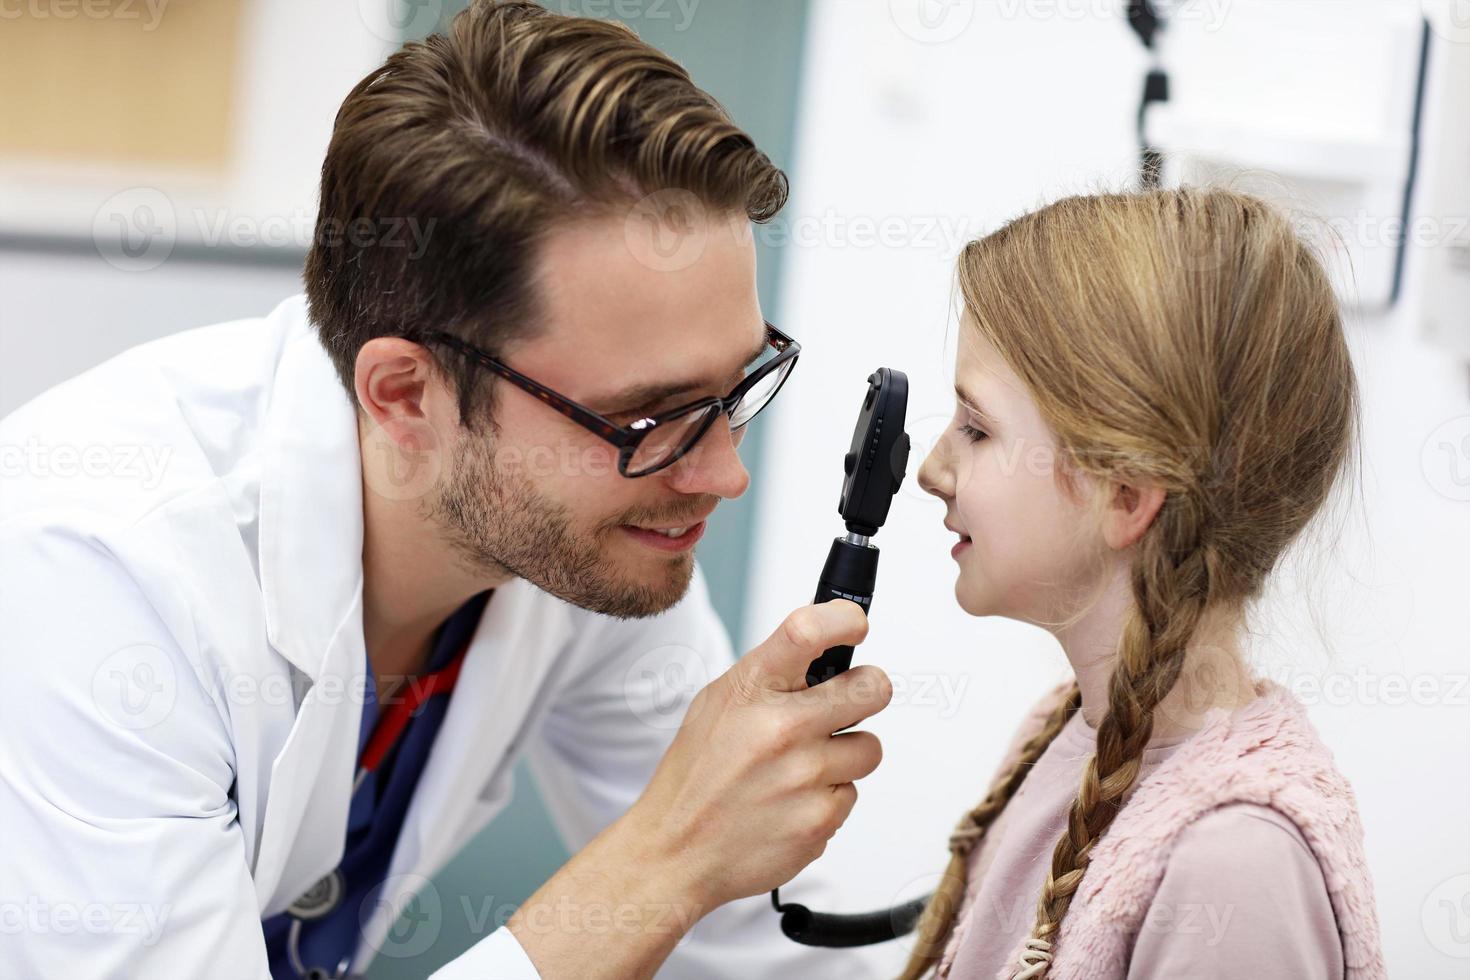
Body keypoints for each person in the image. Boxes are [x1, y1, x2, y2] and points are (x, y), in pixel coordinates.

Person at [0, 3, 891, 978]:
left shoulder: (581, 541)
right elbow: (690, 854)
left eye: (738, 389)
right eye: (650, 418)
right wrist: (663, 860)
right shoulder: (98, 574)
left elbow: (760, 945)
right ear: (405, 393)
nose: (724, 471)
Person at [903, 188, 1387, 980]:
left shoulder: (1237, 869)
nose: (931, 469)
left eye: (977, 429)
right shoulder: (1064, 736)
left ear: (1126, 495)